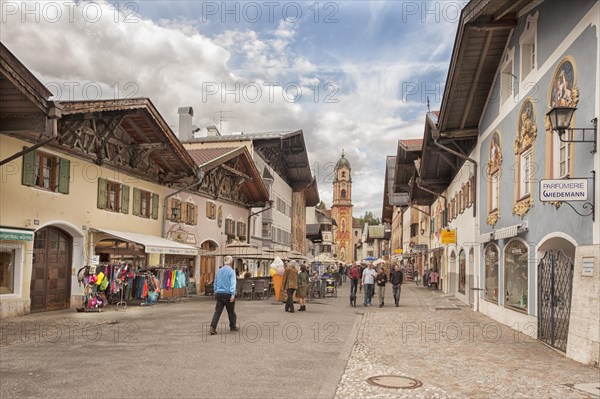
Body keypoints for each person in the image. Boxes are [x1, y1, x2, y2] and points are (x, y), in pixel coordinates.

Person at [209, 256, 238, 335]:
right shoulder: (231, 272)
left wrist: (215, 291)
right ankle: (232, 326)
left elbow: (215, 282)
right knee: (231, 312)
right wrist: (233, 294)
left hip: (219, 293)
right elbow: (233, 283)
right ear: (231, 263)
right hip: (228, 293)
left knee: (217, 312)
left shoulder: (219, 271)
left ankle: (212, 327)